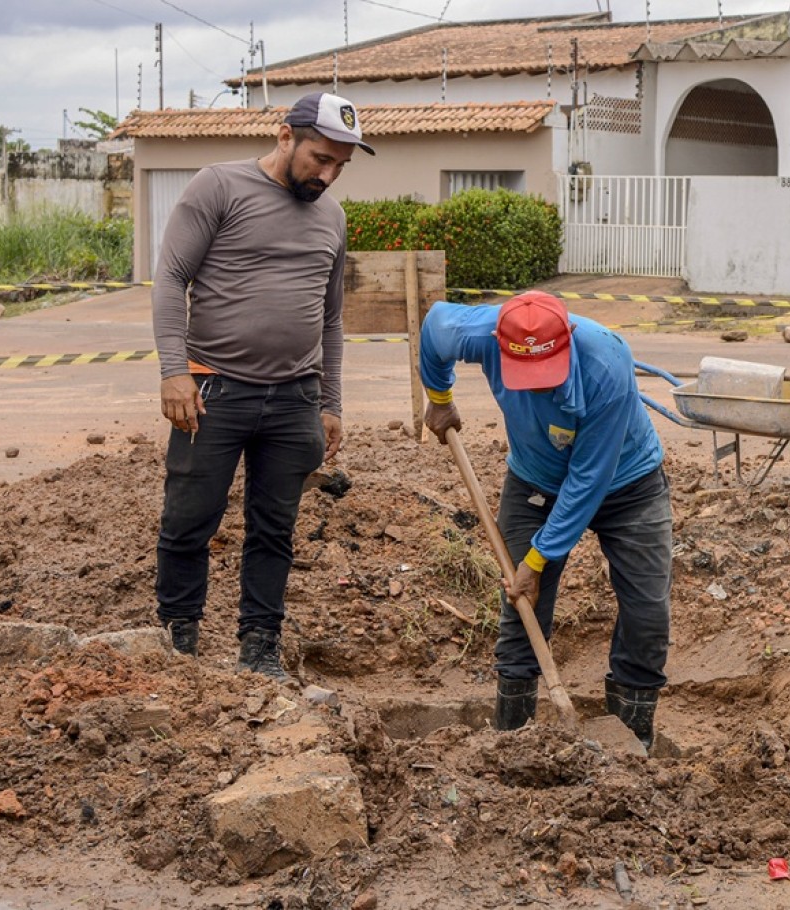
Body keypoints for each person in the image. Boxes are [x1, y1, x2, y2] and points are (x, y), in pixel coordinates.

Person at [151, 92, 373, 680]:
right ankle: (178, 642)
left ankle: (259, 647)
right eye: (320, 159)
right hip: (212, 392)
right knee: (189, 518)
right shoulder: (218, 187)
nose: (327, 176)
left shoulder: (332, 217)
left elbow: (330, 317)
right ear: (284, 137)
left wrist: (331, 403)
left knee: (274, 529)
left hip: (295, 397)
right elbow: (171, 278)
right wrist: (174, 370)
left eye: (339, 167)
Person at [419, 292, 673, 748]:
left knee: (647, 610)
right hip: (535, 480)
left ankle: (633, 744)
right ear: (499, 344)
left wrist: (538, 557)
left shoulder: (607, 362)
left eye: (546, 373)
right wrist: (439, 396)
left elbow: (588, 480)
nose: (537, 386)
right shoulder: (475, 332)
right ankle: (510, 743)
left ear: (569, 340)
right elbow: (434, 327)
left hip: (626, 481)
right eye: (526, 375)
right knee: (522, 606)